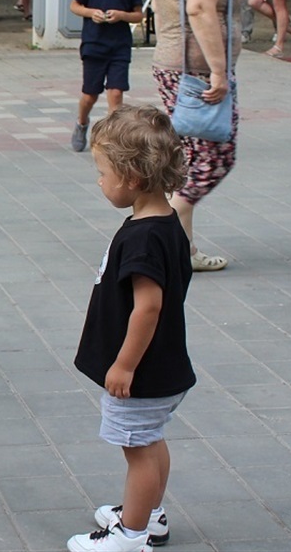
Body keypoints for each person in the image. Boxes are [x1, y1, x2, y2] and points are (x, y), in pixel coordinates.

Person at [67, 104, 194, 552]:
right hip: (165, 368)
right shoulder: (165, 224)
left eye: (103, 172)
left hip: (142, 375)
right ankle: (149, 515)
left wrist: (122, 365)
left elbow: (149, 308)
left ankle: (131, 536)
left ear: (132, 178)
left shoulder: (143, 237)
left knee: (137, 451)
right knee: (150, 441)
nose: (99, 180)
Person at [151, 0, 245, 273]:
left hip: (172, 64)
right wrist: (219, 72)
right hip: (196, 72)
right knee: (214, 160)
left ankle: (183, 252)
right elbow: (200, 7)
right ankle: (162, 236)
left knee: (191, 158)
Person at [69, 0, 144, 152]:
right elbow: (74, 6)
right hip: (94, 45)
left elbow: (138, 15)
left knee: (116, 92)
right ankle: (82, 123)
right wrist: (91, 13)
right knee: (90, 95)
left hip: (119, 47)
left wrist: (121, 16)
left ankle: (112, 138)